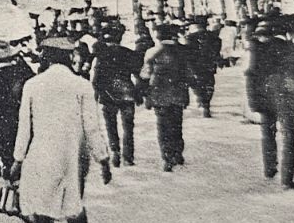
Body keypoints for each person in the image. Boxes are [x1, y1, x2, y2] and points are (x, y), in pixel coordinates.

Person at [11, 39, 109, 223]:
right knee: (74, 204)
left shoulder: (32, 85)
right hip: (72, 155)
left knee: (43, 208)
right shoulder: (82, 85)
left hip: (40, 154)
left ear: (46, 57)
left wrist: (18, 159)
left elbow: (25, 127)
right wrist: (103, 158)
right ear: (68, 57)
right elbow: (92, 127)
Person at [247, 17, 294, 189]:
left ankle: (269, 168)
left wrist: (253, 101)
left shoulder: (258, 50)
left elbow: (251, 75)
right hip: (287, 97)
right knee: (288, 136)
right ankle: (287, 179)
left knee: (267, 134)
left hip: (265, 96)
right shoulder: (293, 49)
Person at [0, 41, 33, 188]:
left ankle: (14, 189)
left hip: (0, 127)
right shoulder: (24, 76)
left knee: (8, 159)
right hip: (22, 123)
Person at [90, 18, 142, 167]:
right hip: (127, 93)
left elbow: (96, 78)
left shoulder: (102, 55)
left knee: (111, 125)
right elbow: (138, 74)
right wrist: (138, 93)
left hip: (108, 95)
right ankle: (128, 156)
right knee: (128, 126)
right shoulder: (129, 53)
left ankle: (115, 152)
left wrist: (97, 93)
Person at [141, 23, 191, 173]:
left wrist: (145, 91)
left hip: (159, 94)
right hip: (178, 93)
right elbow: (189, 73)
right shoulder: (183, 51)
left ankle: (167, 158)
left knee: (163, 127)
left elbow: (145, 74)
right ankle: (178, 153)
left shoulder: (151, 52)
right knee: (177, 124)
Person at [183, 19, 221, 119]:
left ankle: (201, 102)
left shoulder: (189, 38)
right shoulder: (214, 38)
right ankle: (206, 104)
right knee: (209, 84)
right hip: (209, 66)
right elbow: (217, 50)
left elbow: (186, 54)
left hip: (195, 66)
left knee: (197, 84)